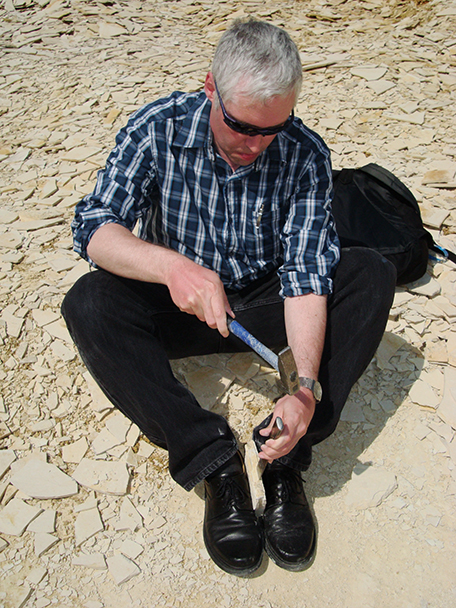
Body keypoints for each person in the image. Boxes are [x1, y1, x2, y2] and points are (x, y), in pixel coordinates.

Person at [61, 18, 396, 575]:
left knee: (369, 273)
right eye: (241, 126)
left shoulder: (304, 153)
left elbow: (307, 273)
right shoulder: (157, 127)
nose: (254, 145)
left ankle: (287, 453)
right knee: (89, 302)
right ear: (210, 88)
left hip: (266, 304)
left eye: (272, 129)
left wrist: (304, 387)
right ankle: (214, 460)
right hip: (181, 303)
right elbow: (94, 226)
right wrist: (172, 267)